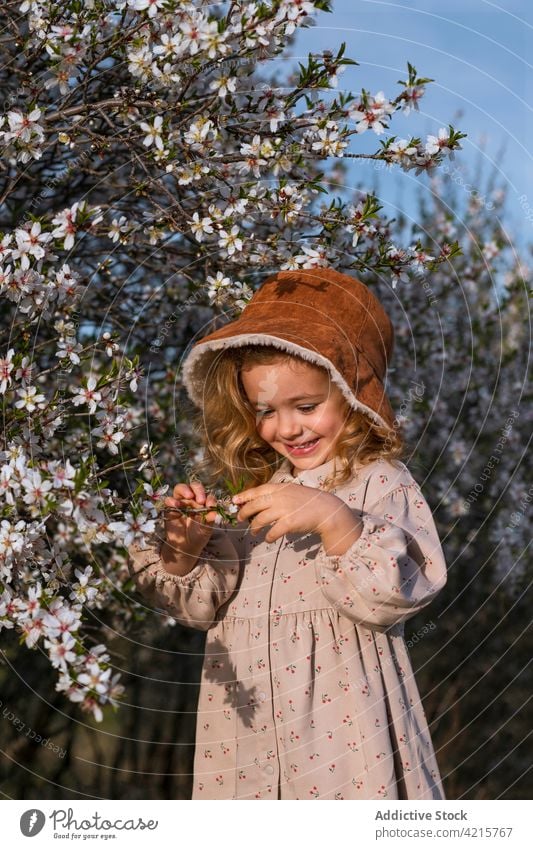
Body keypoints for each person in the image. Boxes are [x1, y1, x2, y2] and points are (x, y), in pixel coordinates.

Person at [127, 266, 448, 800]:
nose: (287, 428)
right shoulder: (254, 495)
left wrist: (331, 518)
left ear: (352, 394)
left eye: (306, 406)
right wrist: (184, 550)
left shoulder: (377, 483)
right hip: (243, 730)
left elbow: (397, 591)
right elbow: (201, 605)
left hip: (341, 731)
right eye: (265, 412)